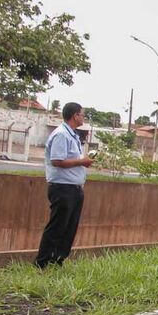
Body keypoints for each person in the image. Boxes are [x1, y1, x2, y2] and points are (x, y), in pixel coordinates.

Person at [35, 102, 93, 269]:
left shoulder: (72, 135)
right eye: (82, 114)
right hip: (62, 188)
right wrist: (82, 161)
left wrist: (82, 162)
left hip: (74, 188)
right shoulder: (62, 134)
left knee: (69, 228)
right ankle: (43, 263)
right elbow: (57, 161)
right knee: (57, 227)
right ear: (75, 115)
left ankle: (57, 261)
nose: (83, 117)